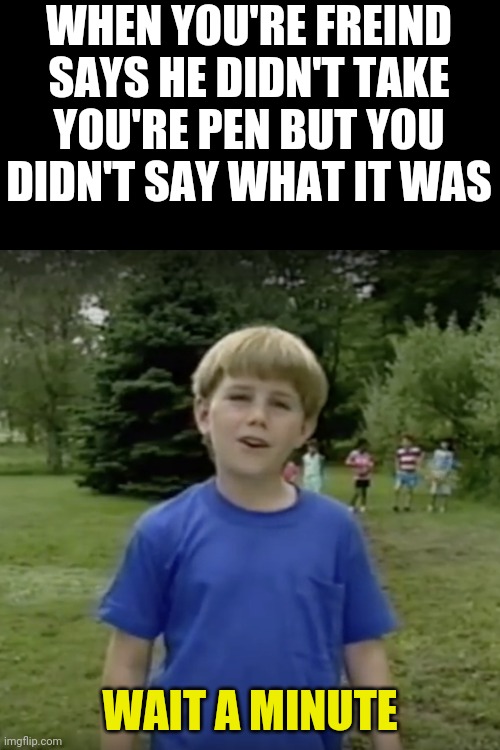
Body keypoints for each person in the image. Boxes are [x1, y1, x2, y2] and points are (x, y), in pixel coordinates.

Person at [97, 325, 402, 750]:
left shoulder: (336, 529)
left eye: (280, 403)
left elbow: (363, 649)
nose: (258, 416)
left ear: (304, 428)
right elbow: (128, 662)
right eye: (240, 397)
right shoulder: (162, 530)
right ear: (204, 414)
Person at [393, 434, 423, 511]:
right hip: (402, 472)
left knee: (409, 490)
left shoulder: (416, 450)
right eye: (403, 441)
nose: (405, 443)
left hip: (411, 472)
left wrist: (418, 468)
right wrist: (397, 470)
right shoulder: (400, 451)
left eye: (406, 441)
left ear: (411, 442)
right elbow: (397, 461)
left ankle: (407, 505)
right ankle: (396, 504)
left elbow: (419, 459)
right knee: (397, 488)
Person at [345, 439, 375, 513]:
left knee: (364, 491)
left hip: (366, 475)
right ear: (360, 446)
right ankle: (351, 505)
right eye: (364, 446)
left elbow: (371, 464)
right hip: (357, 475)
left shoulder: (367, 455)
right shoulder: (354, 453)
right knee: (357, 491)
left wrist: (367, 471)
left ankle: (363, 506)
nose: (365, 447)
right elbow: (347, 462)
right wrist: (355, 465)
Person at [428, 439, 454, 512]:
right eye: (443, 443)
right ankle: (431, 505)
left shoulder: (450, 453)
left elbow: (450, 464)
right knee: (434, 490)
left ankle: (443, 506)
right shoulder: (437, 452)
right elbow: (434, 461)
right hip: (436, 471)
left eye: (446, 443)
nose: (444, 444)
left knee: (445, 490)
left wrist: (447, 473)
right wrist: (432, 472)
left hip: (445, 472)